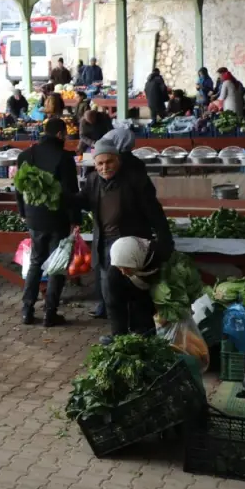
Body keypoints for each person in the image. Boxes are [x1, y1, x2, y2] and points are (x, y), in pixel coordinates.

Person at [81, 137, 174, 340]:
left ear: (118, 160)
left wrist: (165, 241)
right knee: (111, 294)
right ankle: (120, 336)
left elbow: (155, 213)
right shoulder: (93, 181)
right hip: (105, 244)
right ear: (95, 165)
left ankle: (143, 335)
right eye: (100, 163)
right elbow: (84, 202)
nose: (105, 167)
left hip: (131, 246)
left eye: (109, 162)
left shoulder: (135, 181)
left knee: (137, 291)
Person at [15, 118, 80, 327]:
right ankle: (50, 313)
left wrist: (23, 212)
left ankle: (27, 310)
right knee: (56, 265)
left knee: (35, 262)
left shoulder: (26, 155)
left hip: (34, 218)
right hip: (58, 219)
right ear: (60, 134)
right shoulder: (64, 158)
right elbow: (71, 192)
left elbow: (18, 188)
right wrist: (75, 219)